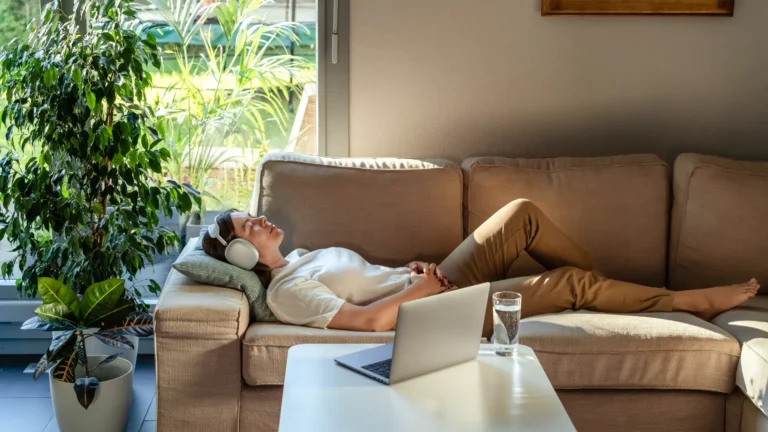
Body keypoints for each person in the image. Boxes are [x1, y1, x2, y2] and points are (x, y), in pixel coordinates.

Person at [201, 200, 759, 338]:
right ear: (242, 256)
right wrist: (419, 289)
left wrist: (411, 270)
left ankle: (606, 292)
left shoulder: (302, 259)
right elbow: (368, 323)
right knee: (566, 284)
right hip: (434, 310)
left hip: (430, 281)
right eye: (249, 226)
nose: (262, 220)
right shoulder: (287, 293)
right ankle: (685, 300)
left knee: (521, 215)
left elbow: (370, 279)